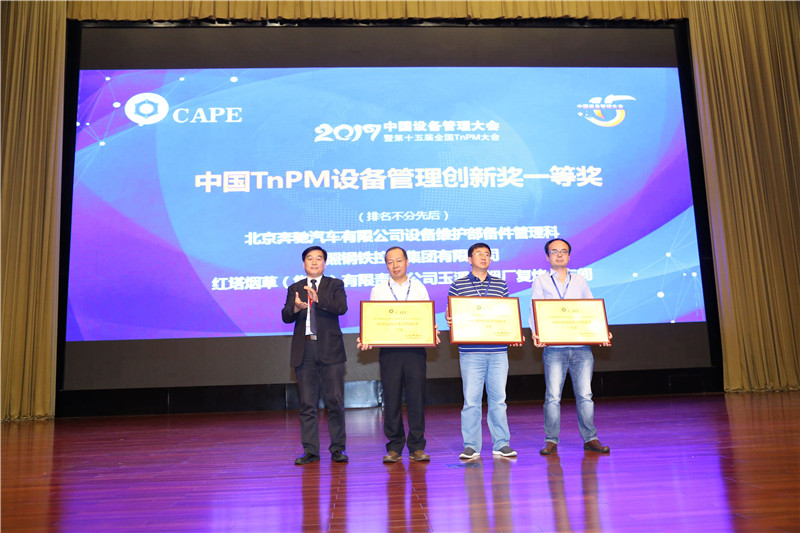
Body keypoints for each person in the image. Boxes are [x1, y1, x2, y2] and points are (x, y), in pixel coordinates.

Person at [530, 238, 611, 455]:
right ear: (547, 256)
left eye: (564, 251)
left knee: (585, 396)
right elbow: (535, 309)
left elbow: (591, 309)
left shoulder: (580, 280)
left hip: (581, 348)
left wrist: (602, 331)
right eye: (554, 251)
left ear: (569, 255)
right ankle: (551, 440)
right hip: (554, 348)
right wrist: (536, 332)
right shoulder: (540, 281)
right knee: (553, 397)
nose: (559, 255)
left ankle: (590, 438)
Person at [358, 246, 436, 463]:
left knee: (416, 397)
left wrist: (432, 331)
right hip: (389, 351)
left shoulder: (419, 288)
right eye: (390, 262)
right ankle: (394, 446)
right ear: (386, 265)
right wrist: (367, 337)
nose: (395, 265)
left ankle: (417, 446)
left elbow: (426, 317)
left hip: (415, 350)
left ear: (407, 262)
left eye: (399, 261)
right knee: (391, 398)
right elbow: (373, 321)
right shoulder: (378, 290)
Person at [446, 243, 518, 460]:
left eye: (487, 254)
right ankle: (471, 446)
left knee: (499, 400)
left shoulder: (500, 284)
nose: (484, 257)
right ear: (470, 259)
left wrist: (513, 331)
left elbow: (507, 315)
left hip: (498, 351)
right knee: (471, 401)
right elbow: (451, 314)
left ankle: (501, 443)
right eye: (479, 254)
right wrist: (450, 318)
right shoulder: (458, 285)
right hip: (471, 352)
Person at [281, 246, 349, 465]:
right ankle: (310, 450)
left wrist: (318, 299)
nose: (314, 262)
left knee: (335, 401)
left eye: (318, 258)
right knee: (307, 404)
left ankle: (337, 448)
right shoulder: (295, 288)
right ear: (304, 264)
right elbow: (285, 316)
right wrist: (295, 308)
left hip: (331, 349)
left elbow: (341, 308)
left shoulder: (335, 285)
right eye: (310, 259)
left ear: (324, 263)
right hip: (305, 350)